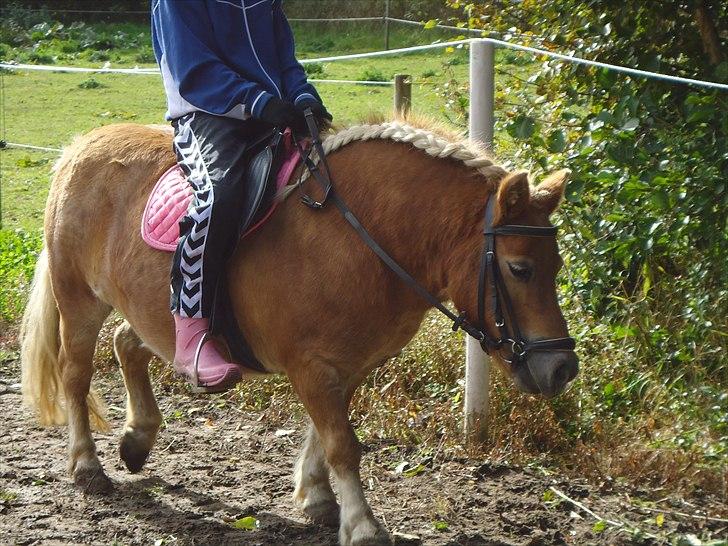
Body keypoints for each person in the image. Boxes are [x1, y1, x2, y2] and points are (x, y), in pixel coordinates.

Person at [151, 0, 331, 392]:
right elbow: (194, 69)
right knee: (218, 196)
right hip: (206, 114)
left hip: (269, 111)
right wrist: (257, 101)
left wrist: (302, 95)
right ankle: (192, 331)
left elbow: (284, 59)